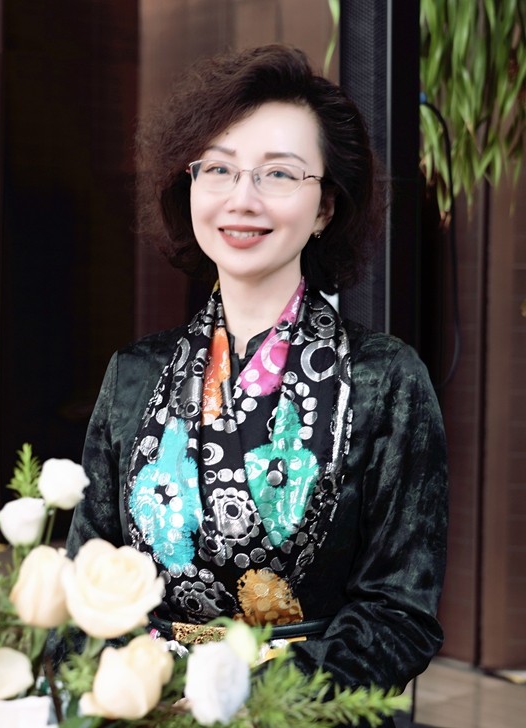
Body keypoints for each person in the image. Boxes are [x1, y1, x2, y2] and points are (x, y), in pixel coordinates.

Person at [65, 44, 447, 705]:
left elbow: (399, 613)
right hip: (144, 706)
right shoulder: (133, 374)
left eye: (278, 174)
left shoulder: (387, 379)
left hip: (302, 713)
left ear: (326, 206)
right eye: (219, 169)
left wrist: (243, 697)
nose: (242, 199)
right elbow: (84, 582)